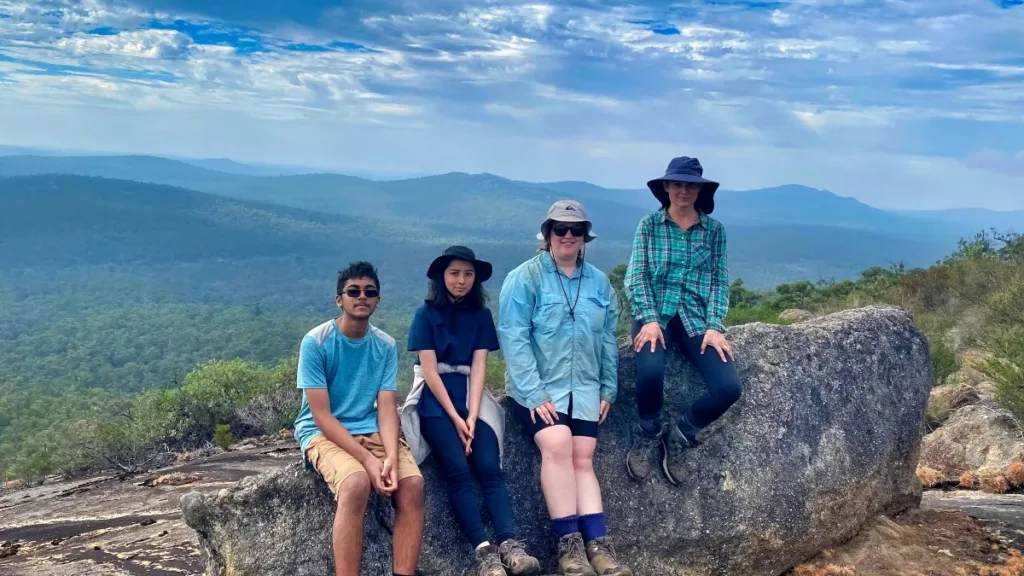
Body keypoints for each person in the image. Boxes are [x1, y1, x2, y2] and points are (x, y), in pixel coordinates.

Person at [498, 200, 633, 576]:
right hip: (535, 390)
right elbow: (514, 337)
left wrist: (609, 389)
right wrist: (535, 392)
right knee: (557, 444)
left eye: (576, 230)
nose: (568, 236)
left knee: (583, 453)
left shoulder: (599, 283)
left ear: (585, 237)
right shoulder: (524, 278)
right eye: (560, 229)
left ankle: (598, 546)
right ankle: (569, 546)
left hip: (586, 388)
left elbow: (607, 339)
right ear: (548, 234)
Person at [400, 246, 542, 576]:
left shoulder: (480, 315)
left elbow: (479, 367)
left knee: (490, 467)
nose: (461, 280)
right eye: (454, 273)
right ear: (442, 277)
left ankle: (511, 546)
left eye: (467, 274)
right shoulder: (425, 315)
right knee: (456, 470)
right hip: (436, 402)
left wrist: (473, 415)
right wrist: (455, 417)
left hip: (472, 397)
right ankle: (484, 552)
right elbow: (430, 370)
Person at [292, 261, 425, 576]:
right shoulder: (317, 342)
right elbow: (320, 415)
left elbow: (387, 407)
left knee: (413, 486)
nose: (361, 297)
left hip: (372, 430)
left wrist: (391, 457)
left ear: (378, 300)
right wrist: (367, 459)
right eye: (354, 291)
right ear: (340, 299)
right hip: (322, 432)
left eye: (370, 292)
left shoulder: (385, 345)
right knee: (355, 483)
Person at [623, 156, 743, 486]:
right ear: (666, 187)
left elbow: (719, 280)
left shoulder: (714, 231)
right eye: (677, 183)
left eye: (690, 184)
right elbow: (636, 276)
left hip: (695, 317)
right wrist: (647, 319)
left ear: (699, 190)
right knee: (649, 373)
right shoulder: (649, 225)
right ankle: (648, 431)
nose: (683, 190)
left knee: (729, 387)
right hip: (655, 314)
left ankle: (681, 433)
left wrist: (715, 325)